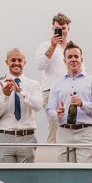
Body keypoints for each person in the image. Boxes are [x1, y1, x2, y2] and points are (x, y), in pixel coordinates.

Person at [46, 42, 92, 164]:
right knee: (65, 175)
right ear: (64, 60)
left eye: (76, 57)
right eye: (70, 57)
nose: (73, 60)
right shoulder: (57, 84)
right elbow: (49, 109)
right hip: (63, 133)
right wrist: (57, 113)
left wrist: (83, 104)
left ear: (81, 59)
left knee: (84, 175)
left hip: (86, 133)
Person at [0, 49, 43, 164]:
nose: (16, 63)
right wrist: (5, 96)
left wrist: (21, 92)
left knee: (27, 178)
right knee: (7, 178)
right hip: (5, 137)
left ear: (25, 62)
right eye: (13, 60)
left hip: (27, 137)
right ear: (7, 62)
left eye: (20, 60)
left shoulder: (34, 84)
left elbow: (38, 106)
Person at [35, 13, 72, 145]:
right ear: (52, 29)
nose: (60, 31)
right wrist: (53, 46)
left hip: (71, 92)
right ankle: (54, 161)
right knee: (55, 128)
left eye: (63, 28)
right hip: (51, 92)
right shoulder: (45, 45)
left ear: (68, 28)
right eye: (57, 28)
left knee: (71, 126)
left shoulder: (72, 48)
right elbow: (39, 65)